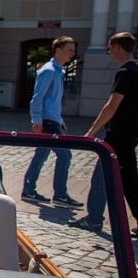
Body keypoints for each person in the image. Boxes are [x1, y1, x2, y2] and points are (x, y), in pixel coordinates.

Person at [76, 33, 138, 236]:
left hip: (119, 134)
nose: (109, 51)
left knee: (108, 177)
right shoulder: (135, 70)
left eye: (110, 47)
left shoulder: (125, 72)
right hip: (129, 133)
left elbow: (111, 106)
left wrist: (91, 132)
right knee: (128, 179)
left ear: (119, 47)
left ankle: (94, 219)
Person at [21, 36, 81, 207]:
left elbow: (52, 99)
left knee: (41, 154)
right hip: (47, 121)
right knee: (64, 154)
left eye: (73, 51)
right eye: (69, 50)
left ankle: (28, 190)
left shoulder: (59, 71)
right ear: (58, 50)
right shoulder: (49, 70)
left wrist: (59, 119)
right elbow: (38, 97)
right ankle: (60, 195)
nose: (72, 54)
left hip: (52, 119)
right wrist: (37, 120)